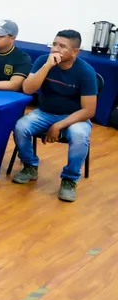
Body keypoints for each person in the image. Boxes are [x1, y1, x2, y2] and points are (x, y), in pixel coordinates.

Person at [12, 30, 98, 202]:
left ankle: (69, 179)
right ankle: (30, 166)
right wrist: (47, 66)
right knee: (20, 126)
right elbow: (28, 89)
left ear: (75, 52)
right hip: (45, 113)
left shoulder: (85, 71)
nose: (55, 49)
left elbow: (89, 111)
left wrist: (58, 125)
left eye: (62, 46)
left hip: (74, 117)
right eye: (54, 44)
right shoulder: (43, 61)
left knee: (80, 136)